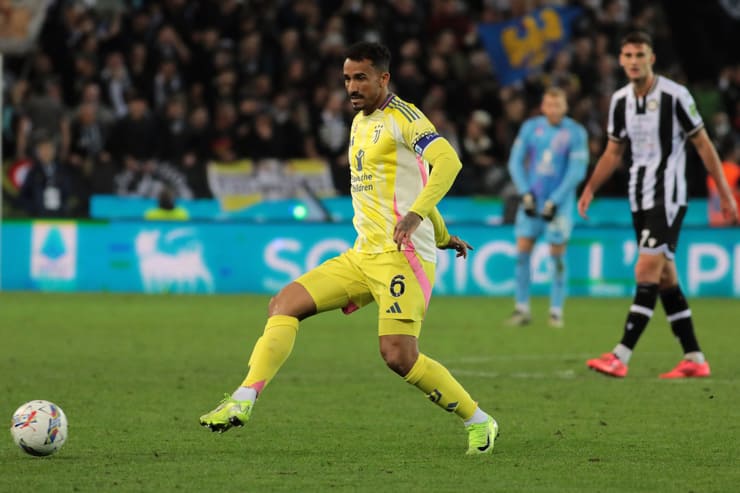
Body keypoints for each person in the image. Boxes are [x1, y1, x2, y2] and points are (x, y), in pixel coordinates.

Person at [199, 41, 499, 455]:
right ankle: (243, 398)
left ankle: (479, 421)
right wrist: (443, 233)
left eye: (360, 77)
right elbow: (410, 181)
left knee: (397, 356)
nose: (352, 86)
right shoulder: (360, 123)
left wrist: (417, 219)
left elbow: (447, 163)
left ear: (383, 78)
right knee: (284, 304)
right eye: (346, 79)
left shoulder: (405, 118)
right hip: (362, 255)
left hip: (403, 257)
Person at [577, 31, 740, 379]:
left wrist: (724, 193)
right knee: (665, 277)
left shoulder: (675, 96)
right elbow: (613, 151)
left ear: (651, 58)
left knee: (645, 270)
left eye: (640, 55)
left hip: (669, 195)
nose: (634, 61)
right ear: (621, 60)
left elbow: (703, 144)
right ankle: (694, 358)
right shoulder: (620, 100)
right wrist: (591, 187)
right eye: (628, 55)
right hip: (639, 195)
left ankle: (620, 355)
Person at [505, 87, 588, 328]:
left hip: (559, 205)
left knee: (557, 257)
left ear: (565, 106)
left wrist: (556, 200)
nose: (554, 110)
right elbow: (515, 161)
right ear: (543, 106)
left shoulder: (575, 132)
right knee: (522, 252)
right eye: (549, 105)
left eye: (558, 105)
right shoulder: (531, 128)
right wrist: (524, 192)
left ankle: (555, 312)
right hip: (532, 199)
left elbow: (576, 172)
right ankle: (521, 309)